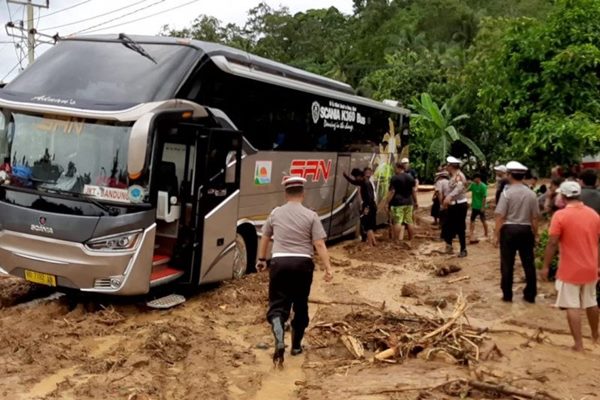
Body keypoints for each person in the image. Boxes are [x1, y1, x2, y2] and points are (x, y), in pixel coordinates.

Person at [257, 176, 333, 367]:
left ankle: (279, 332)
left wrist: (261, 260)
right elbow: (319, 244)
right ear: (303, 194)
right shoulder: (311, 215)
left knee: (277, 304)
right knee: (300, 305)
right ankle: (296, 346)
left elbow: (265, 237)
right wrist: (328, 268)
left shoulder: (275, 213)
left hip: (279, 262)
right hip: (303, 264)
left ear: (285, 194)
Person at [541, 181, 600, 351]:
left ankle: (578, 345)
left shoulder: (560, 216)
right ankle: (595, 337)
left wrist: (545, 266)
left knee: (572, 306)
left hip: (570, 268)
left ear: (564, 196)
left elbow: (552, 243)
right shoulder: (594, 215)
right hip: (590, 266)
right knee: (591, 302)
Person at [494, 161, 539, 303]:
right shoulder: (531, 194)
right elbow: (535, 217)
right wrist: (536, 234)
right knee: (528, 263)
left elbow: (500, 216)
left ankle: (507, 294)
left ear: (509, 175)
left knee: (507, 263)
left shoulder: (506, 193)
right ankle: (530, 294)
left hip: (509, 230)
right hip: (526, 230)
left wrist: (496, 235)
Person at [383, 162, 416, 241]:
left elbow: (392, 191)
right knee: (409, 221)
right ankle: (411, 239)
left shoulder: (395, 178)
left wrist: (387, 202)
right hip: (409, 202)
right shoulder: (410, 177)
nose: (394, 170)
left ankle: (396, 239)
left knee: (397, 221)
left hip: (398, 203)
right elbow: (413, 191)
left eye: (395, 168)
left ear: (399, 168)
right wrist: (416, 201)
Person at [343, 167, 377, 246]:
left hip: (368, 205)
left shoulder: (364, 182)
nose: (355, 179)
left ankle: (370, 244)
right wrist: (346, 176)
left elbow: (369, 197)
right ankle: (373, 242)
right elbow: (354, 182)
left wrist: (366, 208)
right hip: (372, 205)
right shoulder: (365, 181)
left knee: (367, 226)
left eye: (356, 177)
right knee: (370, 226)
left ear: (358, 176)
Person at [443, 156, 468, 257]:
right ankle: (449, 246)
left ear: (451, 166)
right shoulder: (453, 176)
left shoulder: (459, 176)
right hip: (454, 204)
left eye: (447, 165)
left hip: (459, 204)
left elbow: (459, 187)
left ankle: (463, 249)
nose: (446, 167)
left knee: (460, 227)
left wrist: (449, 196)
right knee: (448, 225)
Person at [468, 173, 489, 242]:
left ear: (478, 178)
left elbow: (484, 197)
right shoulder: (473, 185)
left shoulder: (483, 186)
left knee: (483, 220)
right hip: (474, 206)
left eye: (474, 178)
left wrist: (482, 207)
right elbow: (466, 190)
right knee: (472, 220)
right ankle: (471, 234)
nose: (473, 180)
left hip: (480, 207)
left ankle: (486, 234)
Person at [401, 158, 419, 227]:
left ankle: (413, 222)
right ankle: (404, 222)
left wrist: (416, 187)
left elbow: (416, 180)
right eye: (404, 163)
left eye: (406, 163)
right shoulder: (401, 172)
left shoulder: (412, 171)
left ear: (408, 163)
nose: (405, 165)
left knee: (413, 207)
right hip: (403, 193)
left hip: (411, 192)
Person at [435, 170, 451, 240]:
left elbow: (440, 194)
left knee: (443, 219)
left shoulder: (439, 182)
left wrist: (441, 204)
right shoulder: (449, 182)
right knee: (449, 218)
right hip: (451, 201)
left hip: (445, 200)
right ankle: (452, 234)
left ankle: (443, 236)